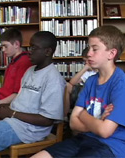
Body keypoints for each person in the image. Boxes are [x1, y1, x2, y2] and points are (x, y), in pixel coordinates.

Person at [30, 25, 125, 158]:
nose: (89, 53)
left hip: (111, 146)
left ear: (112, 53)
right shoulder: (91, 81)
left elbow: (105, 132)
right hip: (83, 139)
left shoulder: (121, 84)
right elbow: (73, 123)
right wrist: (97, 121)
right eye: (89, 48)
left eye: (95, 49)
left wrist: (84, 115)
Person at [0, 31, 66, 152]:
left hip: (29, 130)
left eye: (34, 48)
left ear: (47, 51)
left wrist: (12, 113)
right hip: (14, 121)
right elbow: (23, 102)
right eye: (29, 47)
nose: (29, 51)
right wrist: (3, 109)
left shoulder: (53, 79)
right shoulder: (30, 71)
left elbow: (47, 120)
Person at [0, 28, 32, 106]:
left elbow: (17, 94)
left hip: (8, 105)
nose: (3, 50)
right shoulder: (13, 61)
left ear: (16, 44)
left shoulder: (24, 62)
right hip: (2, 100)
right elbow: (5, 91)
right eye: (2, 47)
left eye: (5, 46)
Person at [64, 47, 97, 116]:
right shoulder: (88, 72)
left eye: (87, 60)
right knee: (67, 86)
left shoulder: (98, 71)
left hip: (93, 94)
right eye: (84, 61)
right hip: (83, 92)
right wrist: (85, 68)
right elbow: (72, 83)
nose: (86, 63)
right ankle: (65, 114)